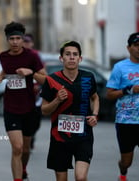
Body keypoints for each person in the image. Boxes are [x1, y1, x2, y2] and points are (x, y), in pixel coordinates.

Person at [40, 41, 99, 181]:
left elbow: (95, 98)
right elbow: (44, 110)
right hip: (59, 137)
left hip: (83, 135)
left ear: (80, 58)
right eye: (68, 54)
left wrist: (95, 115)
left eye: (75, 54)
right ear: (61, 58)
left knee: (81, 177)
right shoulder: (51, 80)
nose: (72, 57)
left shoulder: (88, 77)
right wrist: (57, 100)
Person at [0, 21, 46, 181]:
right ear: (7, 40)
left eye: (18, 38)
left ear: (23, 39)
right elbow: (7, 71)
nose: (15, 42)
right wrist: (0, 76)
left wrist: (30, 72)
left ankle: (23, 168)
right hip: (11, 108)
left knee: (25, 150)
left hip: (29, 107)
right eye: (12, 39)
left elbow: (45, 79)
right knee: (16, 148)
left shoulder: (32, 56)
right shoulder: (3, 56)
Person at [106, 32, 139, 181]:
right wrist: (129, 90)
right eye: (136, 45)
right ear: (129, 48)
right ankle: (123, 172)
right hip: (126, 121)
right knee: (127, 161)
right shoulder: (120, 68)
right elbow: (109, 94)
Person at [23, 33, 42, 150]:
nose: (26, 43)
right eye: (24, 41)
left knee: (36, 122)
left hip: (36, 98)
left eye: (28, 41)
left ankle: (31, 135)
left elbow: (43, 74)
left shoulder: (36, 56)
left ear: (32, 43)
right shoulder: (17, 57)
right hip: (22, 98)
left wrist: (38, 85)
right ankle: (25, 138)